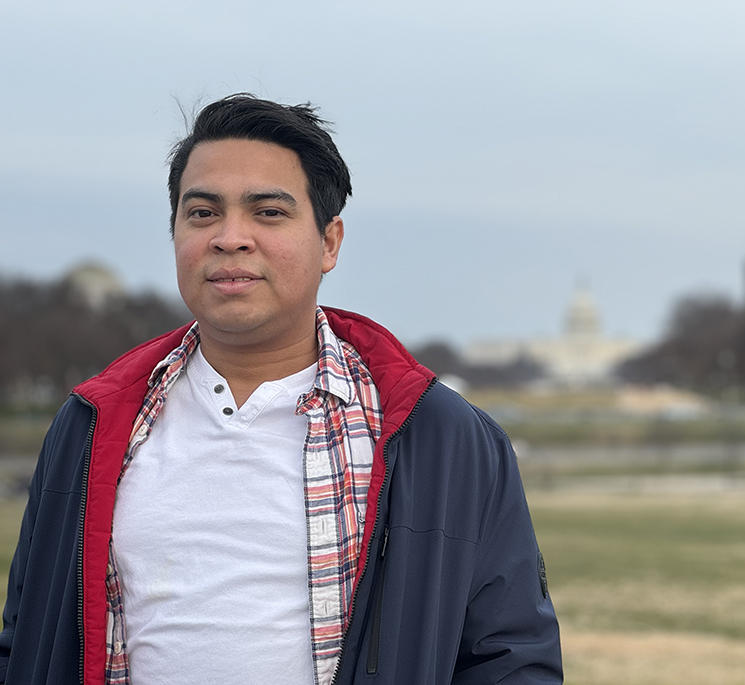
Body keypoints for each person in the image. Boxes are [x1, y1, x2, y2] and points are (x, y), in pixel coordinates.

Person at [0, 94, 562, 685]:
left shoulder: (442, 437)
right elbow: (28, 641)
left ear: (330, 243)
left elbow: (509, 659)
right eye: (202, 214)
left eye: (268, 212)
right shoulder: (91, 424)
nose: (229, 237)